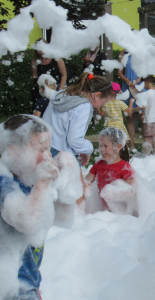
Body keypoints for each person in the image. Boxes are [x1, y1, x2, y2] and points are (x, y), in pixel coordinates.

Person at [0, 115, 59, 300]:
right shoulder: (4, 182)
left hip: (26, 282)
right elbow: (26, 221)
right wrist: (42, 182)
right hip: (11, 287)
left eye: (49, 149)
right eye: (41, 149)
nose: (48, 155)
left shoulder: (27, 180)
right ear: (14, 152)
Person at [42, 72, 113, 166]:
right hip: (61, 154)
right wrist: (88, 149)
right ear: (97, 95)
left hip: (42, 144)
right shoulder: (84, 106)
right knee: (70, 180)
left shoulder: (63, 93)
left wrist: (81, 148)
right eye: (103, 103)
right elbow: (74, 139)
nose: (102, 106)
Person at [85, 128, 135, 213]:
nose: (102, 149)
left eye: (106, 146)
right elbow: (85, 182)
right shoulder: (98, 165)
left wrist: (113, 193)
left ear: (118, 147)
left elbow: (131, 193)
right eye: (100, 146)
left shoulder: (125, 168)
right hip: (104, 213)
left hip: (121, 213)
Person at [118, 50, 145, 149]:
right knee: (130, 117)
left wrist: (137, 80)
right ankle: (132, 146)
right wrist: (127, 80)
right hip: (127, 86)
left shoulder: (140, 50)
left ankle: (147, 144)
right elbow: (119, 71)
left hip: (139, 86)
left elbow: (145, 69)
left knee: (143, 117)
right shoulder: (123, 53)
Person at [131, 75, 155, 156]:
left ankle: (147, 156)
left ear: (146, 82)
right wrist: (154, 107)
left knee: (147, 138)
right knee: (154, 137)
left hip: (148, 120)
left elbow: (143, 106)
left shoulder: (146, 94)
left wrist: (133, 109)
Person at [97, 82, 133, 147]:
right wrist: (131, 102)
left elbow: (101, 115)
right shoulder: (120, 103)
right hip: (119, 126)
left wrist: (98, 107)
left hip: (109, 127)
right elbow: (129, 112)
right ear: (118, 92)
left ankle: (112, 154)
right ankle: (122, 154)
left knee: (111, 142)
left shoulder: (106, 104)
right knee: (121, 142)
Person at [31, 39, 67, 104]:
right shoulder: (35, 60)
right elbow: (35, 76)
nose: (40, 52)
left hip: (58, 85)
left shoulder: (56, 58)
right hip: (44, 88)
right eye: (38, 49)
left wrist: (60, 89)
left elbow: (64, 75)